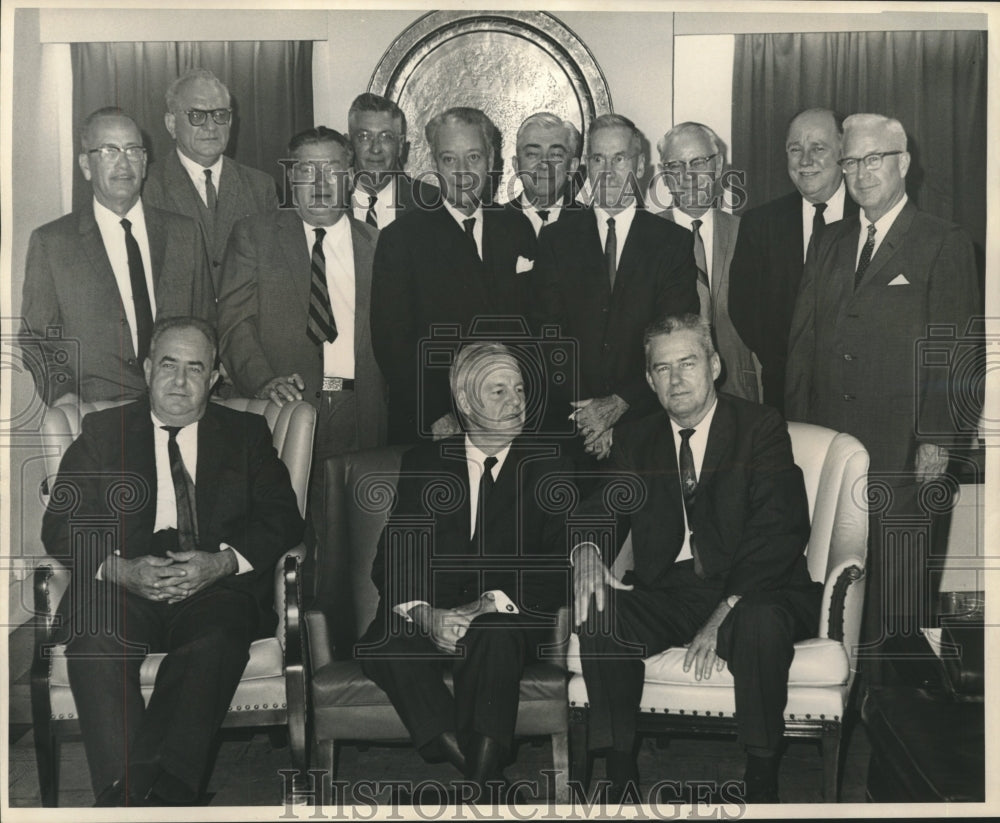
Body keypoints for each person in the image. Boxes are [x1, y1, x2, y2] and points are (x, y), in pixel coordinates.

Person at [42, 316, 304, 806]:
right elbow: (61, 524)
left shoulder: (246, 433)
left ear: (215, 377)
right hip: (121, 583)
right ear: (146, 369)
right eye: (168, 365)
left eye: (194, 368)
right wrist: (122, 570)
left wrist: (221, 563)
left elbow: (282, 519)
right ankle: (129, 795)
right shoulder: (103, 432)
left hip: (212, 586)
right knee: (95, 637)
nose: (179, 382)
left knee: (217, 640)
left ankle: (158, 797)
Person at [573, 313, 821, 803]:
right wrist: (585, 550)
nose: (676, 379)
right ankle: (619, 774)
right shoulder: (637, 439)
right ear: (648, 379)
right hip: (671, 590)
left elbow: (781, 529)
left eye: (687, 363)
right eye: (662, 369)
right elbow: (600, 512)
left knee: (758, 624)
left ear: (714, 364)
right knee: (600, 610)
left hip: (754, 589)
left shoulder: (759, 426)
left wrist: (725, 609)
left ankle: (761, 776)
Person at [785, 113, 980, 684]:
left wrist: (939, 441)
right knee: (832, 587)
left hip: (905, 451)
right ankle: (840, 705)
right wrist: (796, 437)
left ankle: (892, 729)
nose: (861, 172)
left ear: (903, 162)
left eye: (874, 159)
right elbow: (802, 344)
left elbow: (956, 354)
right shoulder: (829, 239)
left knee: (897, 597)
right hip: (832, 449)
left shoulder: (942, 242)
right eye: (851, 161)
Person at [358, 342, 571, 798]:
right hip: (433, 608)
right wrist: (425, 614)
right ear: (466, 401)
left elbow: (558, 562)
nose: (516, 401)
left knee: (494, 631)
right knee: (385, 639)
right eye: (499, 391)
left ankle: (478, 785)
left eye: (519, 388)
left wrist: (487, 603)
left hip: (506, 614)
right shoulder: (426, 463)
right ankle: (487, 781)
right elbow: (394, 556)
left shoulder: (549, 465)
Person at [532, 114, 700, 460]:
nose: (607, 170)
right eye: (597, 159)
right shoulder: (554, 239)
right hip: (569, 426)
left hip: (645, 423)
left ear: (639, 166)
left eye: (618, 158)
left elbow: (673, 337)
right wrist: (588, 417)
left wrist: (620, 405)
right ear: (586, 166)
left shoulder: (672, 243)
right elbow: (547, 333)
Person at [21, 107, 214, 406]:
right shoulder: (53, 243)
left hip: (180, 407)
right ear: (86, 165)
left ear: (145, 163)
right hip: (95, 413)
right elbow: (37, 339)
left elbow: (205, 323)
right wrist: (64, 396)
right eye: (109, 151)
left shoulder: (184, 234)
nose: (124, 163)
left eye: (133, 150)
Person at [218, 126, 386, 460]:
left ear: (350, 178)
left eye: (332, 170)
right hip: (281, 407)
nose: (321, 183)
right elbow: (235, 325)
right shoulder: (255, 236)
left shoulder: (379, 246)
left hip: (359, 413)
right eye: (308, 171)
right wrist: (263, 382)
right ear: (293, 179)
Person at [370, 107, 537, 444]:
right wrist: (435, 414)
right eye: (449, 159)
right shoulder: (402, 238)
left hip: (512, 415)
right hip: (437, 423)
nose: (462, 172)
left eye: (473, 157)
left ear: (491, 160)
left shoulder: (517, 226)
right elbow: (392, 344)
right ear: (435, 164)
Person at [728, 108, 859, 414]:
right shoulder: (759, 224)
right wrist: (789, 361)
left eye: (818, 148)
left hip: (859, 394)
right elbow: (743, 308)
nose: (805, 161)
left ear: (844, 152)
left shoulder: (870, 217)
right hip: (785, 393)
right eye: (795, 149)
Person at [143, 68, 278, 291]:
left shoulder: (261, 186)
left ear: (231, 121)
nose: (211, 126)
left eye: (220, 115)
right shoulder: (147, 187)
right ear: (171, 123)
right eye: (197, 115)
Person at [655, 121, 760, 401]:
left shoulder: (748, 234)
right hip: (668, 397)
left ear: (718, 166)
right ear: (664, 176)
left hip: (740, 395)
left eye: (698, 162)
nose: (688, 176)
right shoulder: (645, 238)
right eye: (676, 166)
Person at [347, 92, 435, 229]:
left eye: (386, 137)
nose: (375, 149)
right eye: (364, 136)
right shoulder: (331, 203)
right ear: (349, 144)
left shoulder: (431, 203)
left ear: (400, 145)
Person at [505, 111, 581, 237]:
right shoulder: (491, 226)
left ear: (572, 167)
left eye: (555, 155)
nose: (544, 164)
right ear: (516, 165)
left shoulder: (594, 227)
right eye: (533, 154)